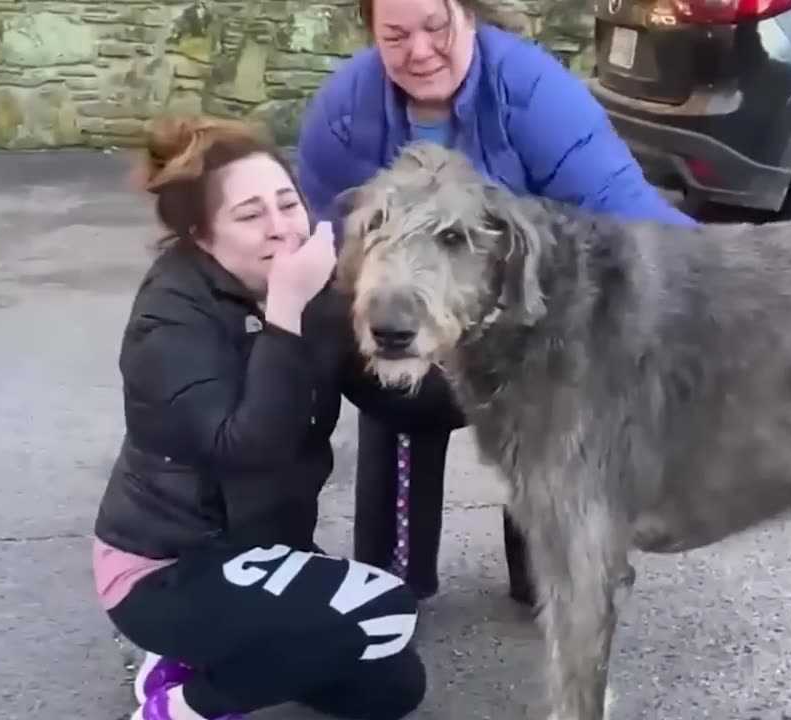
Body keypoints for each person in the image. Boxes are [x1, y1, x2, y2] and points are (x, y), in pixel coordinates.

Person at [296, 0, 697, 607]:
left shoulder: (536, 95)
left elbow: (628, 213)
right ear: (370, 33)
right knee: (390, 584)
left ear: (469, 13)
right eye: (395, 34)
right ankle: (395, 568)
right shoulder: (345, 109)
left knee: (553, 573)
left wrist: (729, 286)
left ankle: (553, 553)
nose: (420, 50)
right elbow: (318, 239)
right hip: (405, 332)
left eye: (435, 26)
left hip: (520, 327)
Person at [91, 115, 462, 720]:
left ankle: (201, 657)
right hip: (168, 567)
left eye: (288, 204)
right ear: (201, 235)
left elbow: (392, 396)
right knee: (385, 606)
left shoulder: (313, 293)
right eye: (249, 215)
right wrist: (287, 309)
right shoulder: (169, 319)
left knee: (391, 688)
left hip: (265, 553)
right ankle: (180, 707)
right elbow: (244, 449)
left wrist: (491, 381)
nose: (281, 229)